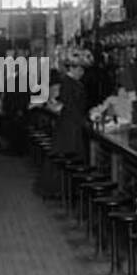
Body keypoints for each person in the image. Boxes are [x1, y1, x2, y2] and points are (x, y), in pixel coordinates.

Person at [34, 48, 90, 197]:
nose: (82, 72)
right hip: (71, 128)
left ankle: (60, 190)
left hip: (66, 126)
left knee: (62, 158)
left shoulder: (66, 83)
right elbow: (73, 107)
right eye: (81, 68)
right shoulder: (73, 84)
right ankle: (66, 191)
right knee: (72, 158)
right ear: (73, 68)